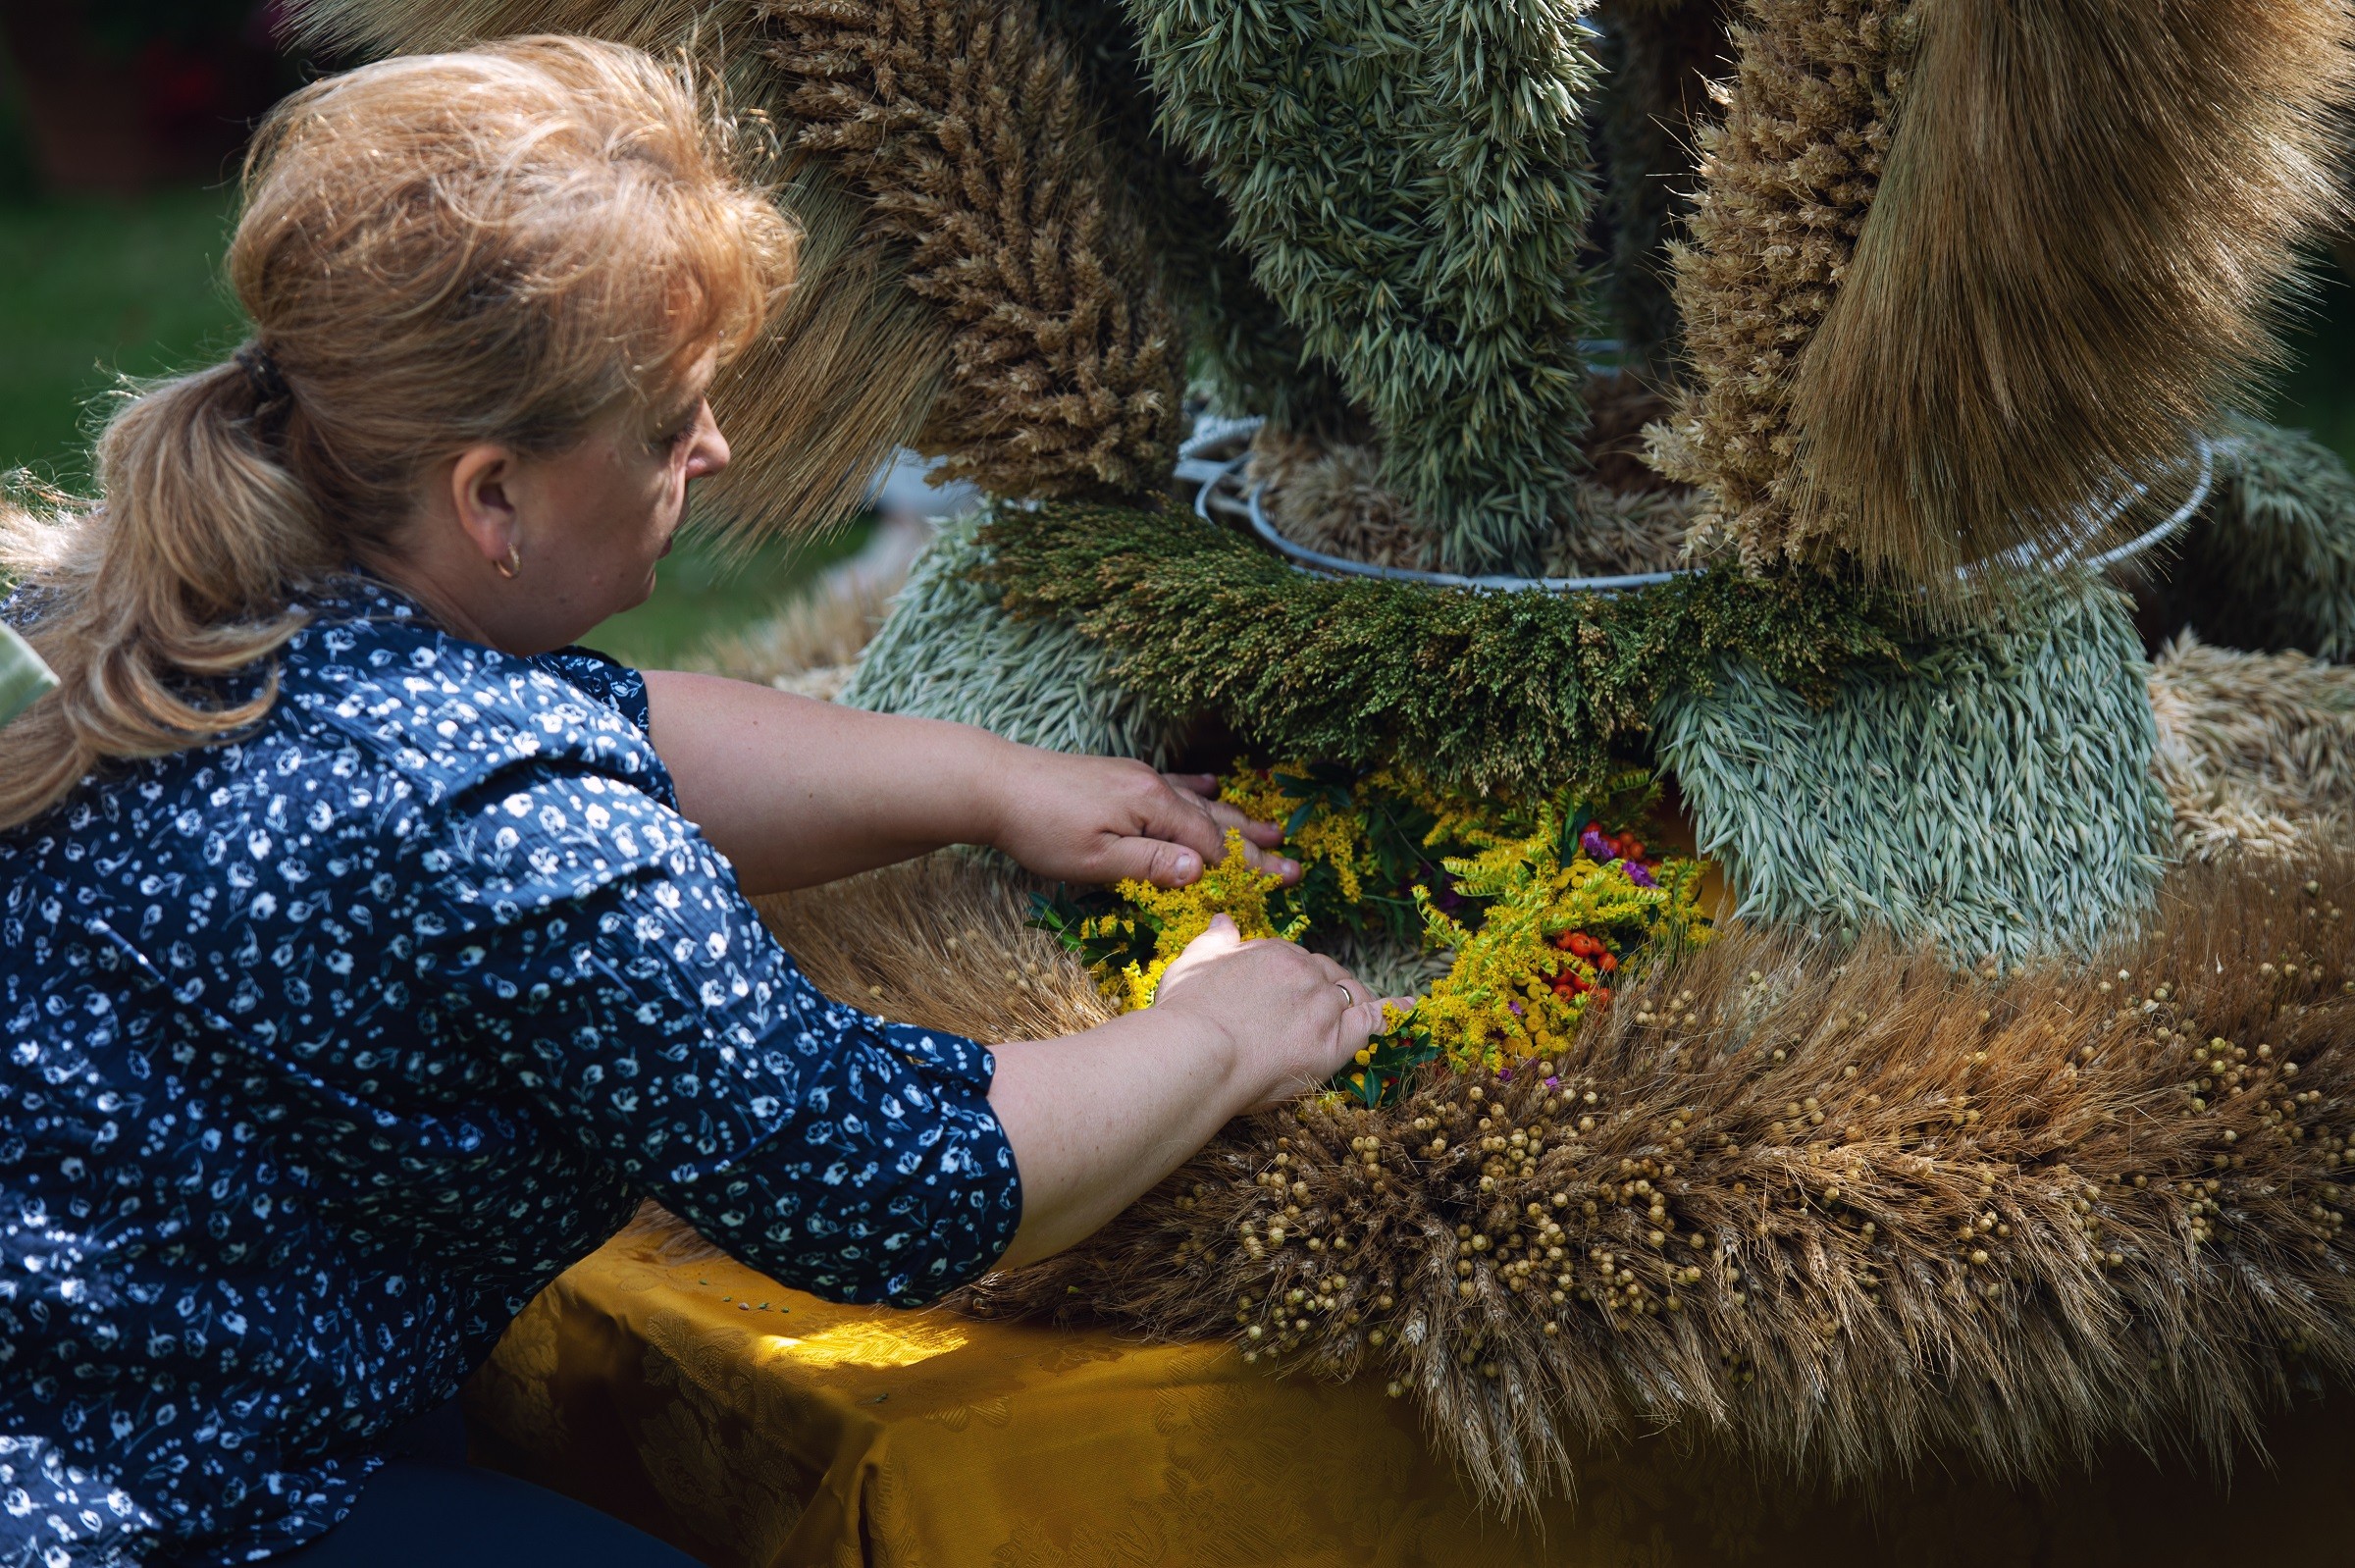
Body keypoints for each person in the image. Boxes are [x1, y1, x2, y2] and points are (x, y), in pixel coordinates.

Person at [0, 38, 1400, 1567]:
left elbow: (634, 722)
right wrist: (1216, 1030)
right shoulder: (502, 818)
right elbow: (884, 1185)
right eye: (670, 427)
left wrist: (989, 781)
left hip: (111, 1371)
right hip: (153, 1498)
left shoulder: (202, 578)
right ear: (495, 498)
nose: (713, 452)